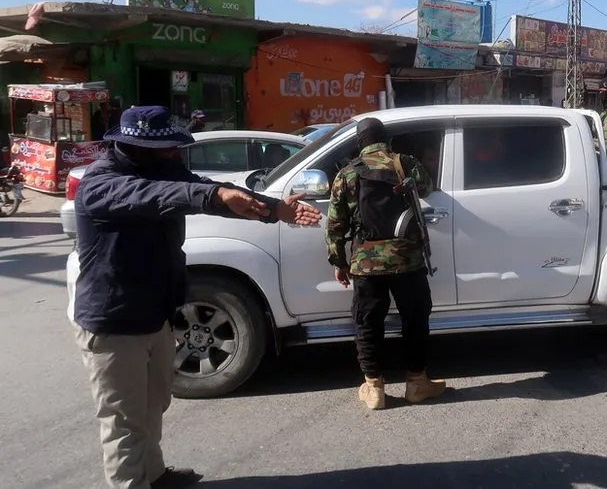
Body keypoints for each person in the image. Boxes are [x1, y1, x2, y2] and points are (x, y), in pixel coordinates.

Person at [71, 106, 321, 489]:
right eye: (169, 148)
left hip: (155, 314)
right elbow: (157, 196)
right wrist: (216, 195)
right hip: (114, 323)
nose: (177, 154)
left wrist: (275, 210)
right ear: (136, 147)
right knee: (124, 421)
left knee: (153, 407)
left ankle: (153, 476)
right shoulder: (103, 184)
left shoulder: (160, 169)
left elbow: (208, 190)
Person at [326, 117, 446, 411]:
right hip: (407, 259)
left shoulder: (347, 173)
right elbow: (428, 187)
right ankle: (417, 382)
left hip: (366, 264)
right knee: (415, 320)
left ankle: (374, 387)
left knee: (368, 323)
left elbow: (335, 225)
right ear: (386, 139)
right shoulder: (405, 163)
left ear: (360, 142)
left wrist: (339, 262)